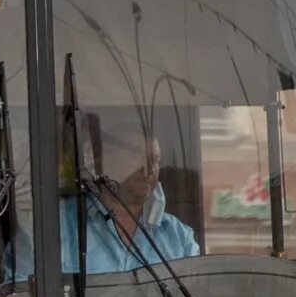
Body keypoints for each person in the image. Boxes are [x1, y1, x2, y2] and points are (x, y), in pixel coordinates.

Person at [66, 114, 199, 272]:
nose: (149, 169)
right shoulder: (60, 226)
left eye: (155, 160)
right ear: (103, 161)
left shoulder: (179, 237)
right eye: (137, 156)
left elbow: (195, 290)